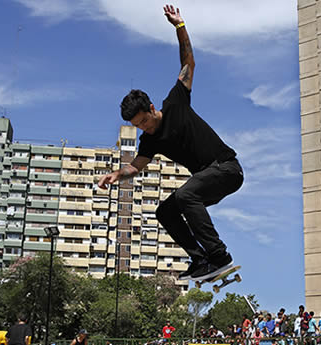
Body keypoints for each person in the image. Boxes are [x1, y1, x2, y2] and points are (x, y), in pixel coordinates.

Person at [99, 4, 244, 281]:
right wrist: (117, 174)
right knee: (165, 211)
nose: (143, 128)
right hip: (208, 181)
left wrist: (180, 26)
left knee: (186, 195)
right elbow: (137, 166)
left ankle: (220, 257)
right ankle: (201, 259)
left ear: (152, 108)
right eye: (137, 126)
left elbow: (188, 63)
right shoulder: (149, 140)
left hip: (227, 169)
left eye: (144, 121)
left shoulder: (175, 101)